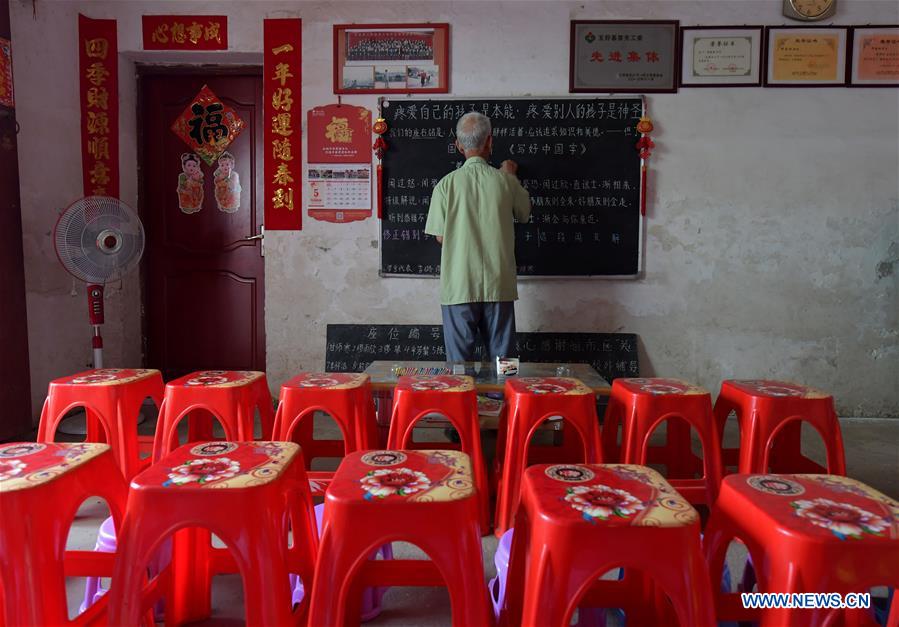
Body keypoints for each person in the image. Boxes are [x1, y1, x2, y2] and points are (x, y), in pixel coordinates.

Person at [424, 111, 532, 363]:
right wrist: (512, 175)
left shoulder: (445, 185)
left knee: (459, 366)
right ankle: (506, 399)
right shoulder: (505, 182)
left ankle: (461, 400)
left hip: (459, 285)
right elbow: (525, 213)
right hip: (498, 284)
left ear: (458, 145)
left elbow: (440, 237)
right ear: (490, 141)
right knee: (504, 363)